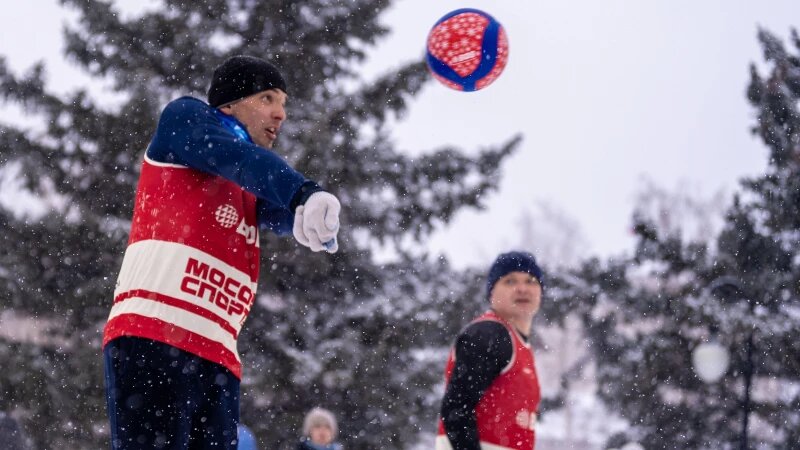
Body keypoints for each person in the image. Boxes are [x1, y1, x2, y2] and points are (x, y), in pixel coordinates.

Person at [103, 55, 342, 449]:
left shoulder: (244, 180)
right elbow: (242, 160)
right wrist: (302, 192)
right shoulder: (186, 120)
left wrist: (303, 217)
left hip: (217, 355)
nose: (280, 113)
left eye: (283, 102)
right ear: (229, 104)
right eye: (267, 98)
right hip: (155, 337)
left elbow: (269, 200)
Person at [436, 251, 543, 450]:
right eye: (510, 281)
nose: (522, 288)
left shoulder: (521, 345)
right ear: (492, 292)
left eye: (531, 281)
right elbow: (456, 409)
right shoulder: (489, 334)